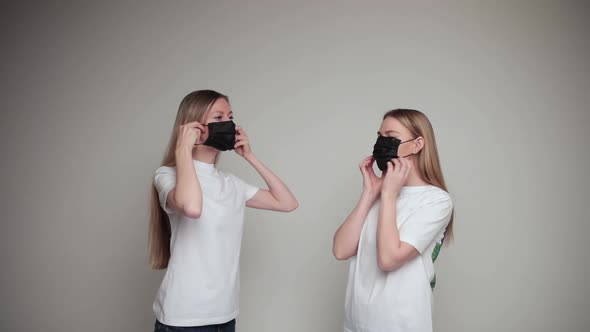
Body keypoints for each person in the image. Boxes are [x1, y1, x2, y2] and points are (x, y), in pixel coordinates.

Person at [148, 90, 298, 332]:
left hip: (225, 315)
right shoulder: (166, 175)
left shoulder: (231, 184)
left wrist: (250, 156)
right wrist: (182, 150)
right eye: (218, 118)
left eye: (230, 116)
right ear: (194, 126)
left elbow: (287, 203)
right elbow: (192, 207)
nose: (228, 124)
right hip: (184, 318)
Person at [333, 109, 454, 332]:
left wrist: (388, 195)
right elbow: (341, 250)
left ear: (418, 144)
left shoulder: (436, 201)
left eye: (390, 136)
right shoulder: (379, 194)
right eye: (379, 135)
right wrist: (370, 194)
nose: (381, 143)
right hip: (357, 322)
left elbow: (388, 259)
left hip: (399, 324)